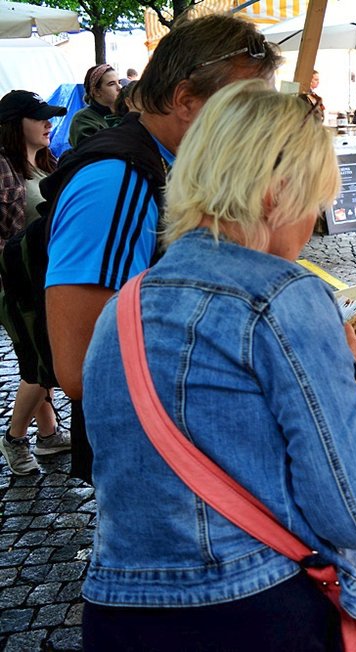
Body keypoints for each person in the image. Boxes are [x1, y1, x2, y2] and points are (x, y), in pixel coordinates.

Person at [79, 79, 356, 651]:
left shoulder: (123, 306)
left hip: (116, 615)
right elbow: (353, 513)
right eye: (316, 207)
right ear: (277, 191)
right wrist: (355, 385)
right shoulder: (283, 297)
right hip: (249, 613)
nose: (311, 231)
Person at [43, 14, 282, 484]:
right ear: (186, 100)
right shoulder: (120, 181)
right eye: (246, 107)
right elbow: (80, 367)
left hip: (180, 440)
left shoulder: (173, 167)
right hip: (151, 456)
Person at [0, 90, 70, 475]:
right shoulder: (2, 166)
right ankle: (13, 437)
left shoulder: (45, 159)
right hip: (14, 282)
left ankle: (47, 435)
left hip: (42, 276)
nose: (49, 123)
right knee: (43, 363)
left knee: (37, 353)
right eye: (39, 117)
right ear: (15, 125)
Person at [68, 64, 121, 148]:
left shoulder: (124, 112)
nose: (119, 87)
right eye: (111, 84)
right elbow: (95, 151)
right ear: (96, 92)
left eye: (119, 82)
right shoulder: (83, 119)